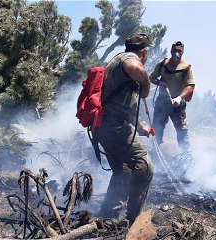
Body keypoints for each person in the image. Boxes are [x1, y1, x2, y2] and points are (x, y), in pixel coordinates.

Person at [96, 33, 154, 225]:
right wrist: (146, 83)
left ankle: (107, 217)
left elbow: (122, 106)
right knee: (144, 166)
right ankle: (132, 221)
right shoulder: (128, 60)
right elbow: (134, 66)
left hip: (106, 126)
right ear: (144, 52)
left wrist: (140, 127)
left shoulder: (117, 64)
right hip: (114, 128)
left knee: (124, 170)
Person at [149, 41, 195, 153]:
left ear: (183, 51)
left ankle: (185, 154)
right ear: (171, 51)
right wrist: (160, 83)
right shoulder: (162, 64)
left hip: (178, 104)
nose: (177, 53)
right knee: (157, 127)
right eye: (175, 50)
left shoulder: (187, 68)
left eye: (179, 50)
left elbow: (190, 86)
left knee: (182, 130)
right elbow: (152, 77)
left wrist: (179, 98)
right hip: (162, 101)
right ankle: (156, 151)